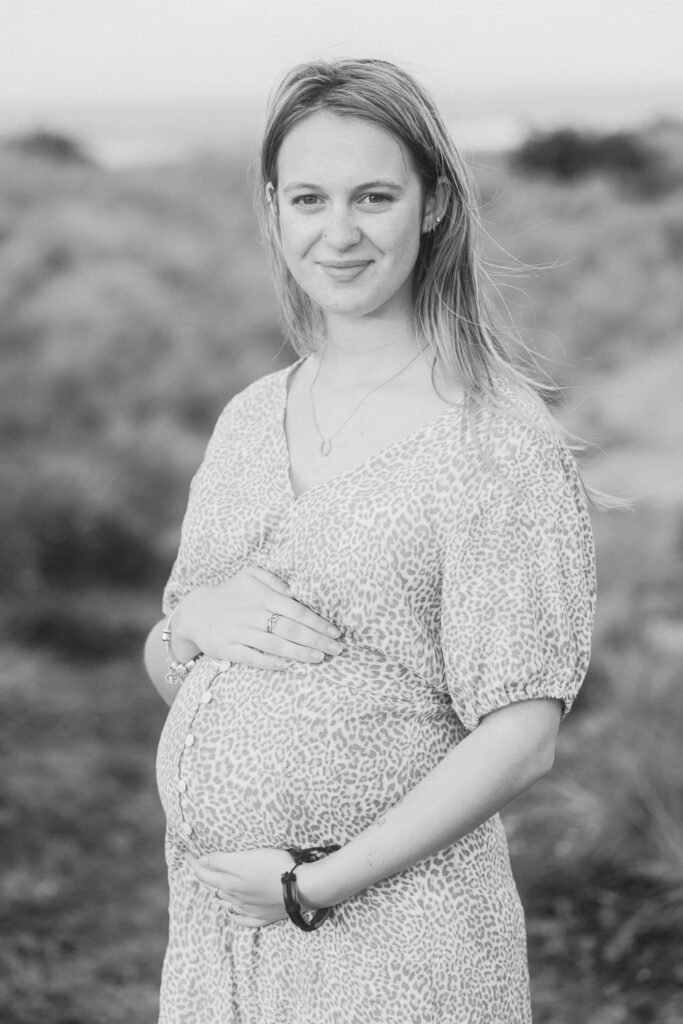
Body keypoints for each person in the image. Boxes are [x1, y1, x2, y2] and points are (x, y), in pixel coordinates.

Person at [143, 58, 596, 1024]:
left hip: (399, 947)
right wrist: (192, 624)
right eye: (309, 198)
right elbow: (176, 667)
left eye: (373, 197)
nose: (338, 232)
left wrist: (315, 885)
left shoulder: (495, 441)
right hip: (223, 940)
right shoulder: (248, 419)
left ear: (433, 206)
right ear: (274, 210)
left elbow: (522, 736)